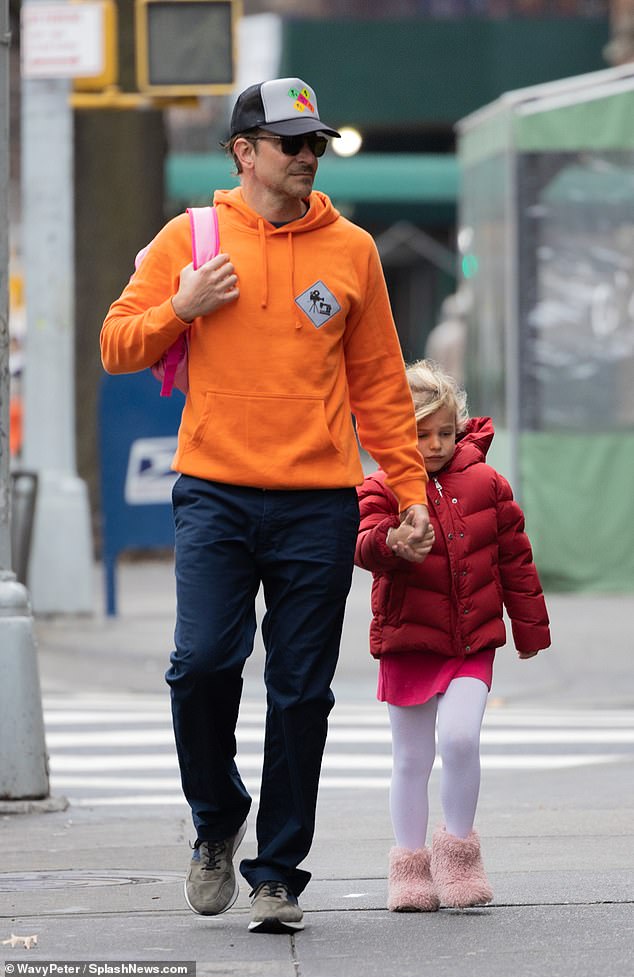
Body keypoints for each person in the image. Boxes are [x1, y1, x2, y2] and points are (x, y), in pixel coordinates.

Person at [100, 77, 431, 934]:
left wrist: (410, 490)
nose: (307, 157)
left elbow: (382, 387)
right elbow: (115, 344)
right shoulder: (190, 238)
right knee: (202, 663)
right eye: (291, 143)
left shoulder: (352, 249)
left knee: (301, 690)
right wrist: (181, 306)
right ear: (244, 152)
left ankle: (278, 869)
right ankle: (217, 816)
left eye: (315, 142)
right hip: (213, 490)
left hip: (317, 500)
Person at [355, 359, 551, 912]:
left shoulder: (488, 482)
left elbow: (515, 558)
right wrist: (391, 542)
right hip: (407, 640)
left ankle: (460, 859)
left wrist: (529, 628)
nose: (436, 443)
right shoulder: (380, 486)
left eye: (445, 431)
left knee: (461, 739)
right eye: (421, 433)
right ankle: (410, 868)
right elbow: (363, 543)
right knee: (411, 759)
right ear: (397, 430)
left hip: (472, 640)